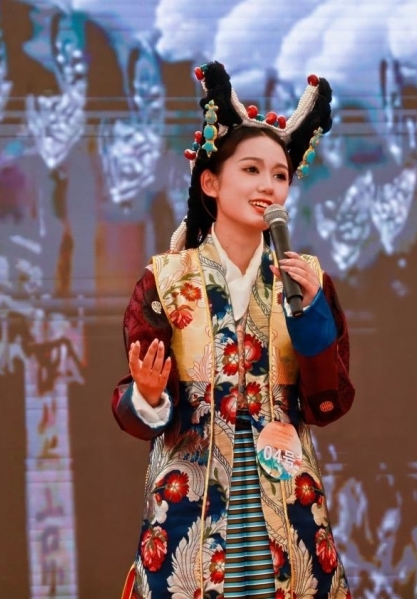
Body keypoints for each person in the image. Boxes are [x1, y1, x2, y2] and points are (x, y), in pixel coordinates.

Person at [112, 61, 355, 599]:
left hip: (287, 504)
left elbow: (328, 403)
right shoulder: (167, 280)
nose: (268, 185)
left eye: (280, 175)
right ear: (211, 182)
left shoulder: (308, 280)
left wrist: (312, 315)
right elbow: (135, 406)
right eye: (251, 170)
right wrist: (148, 395)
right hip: (189, 508)